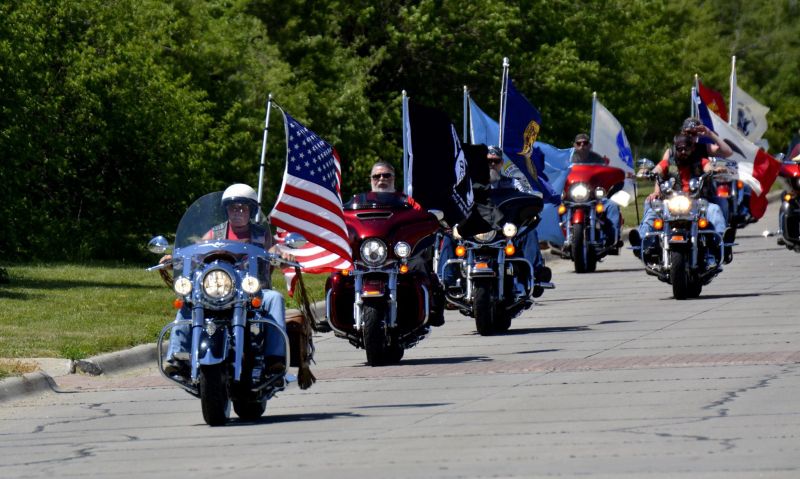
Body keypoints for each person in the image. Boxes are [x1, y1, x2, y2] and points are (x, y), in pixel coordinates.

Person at [162, 183, 288, 376]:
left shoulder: (261, 234)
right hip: (219, 289)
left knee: (275, 299)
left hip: (252, 290)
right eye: (233, 207)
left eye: (243, 207)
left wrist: (280, 255)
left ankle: (275, 359)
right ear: (226, 210)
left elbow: (272, 250)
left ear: (251, 210)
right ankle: (177, 355)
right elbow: (196, 253)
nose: (237, 211)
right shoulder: (215, 233)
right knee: (188, 301)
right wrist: (175, 259)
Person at [438, 146, 551, 296]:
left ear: (501, 163)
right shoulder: (468, 185)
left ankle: (535, 276)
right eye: (487, 161)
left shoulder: (513, 183)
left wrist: (532, 198)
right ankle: (444, 282)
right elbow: (455, 199)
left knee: (528, 232)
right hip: (475, 229)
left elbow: (527, 196)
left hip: (503, 230)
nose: (491, 165)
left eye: (495, 161)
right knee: (449, 236)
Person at [630, 134, 734, 263]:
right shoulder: (668, 162)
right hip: (671, 202)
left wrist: (716, 170)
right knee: (652, 210)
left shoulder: (700, 161)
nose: (683, 152)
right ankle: (642, 244)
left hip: (696, 202)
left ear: (692, 148)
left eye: (686, 148)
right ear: (675, 149)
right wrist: (648, 173)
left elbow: (709, 168)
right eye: (680, 149)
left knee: (715, 210)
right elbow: (658, 169)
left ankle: (721, 244)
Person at [662, 117, 734, 222]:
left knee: (720, 205)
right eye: (688, 133)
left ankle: (720, 236)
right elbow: (661, 172)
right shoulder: (671, 152)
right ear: (682, 132)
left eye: (694, 133)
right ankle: (643, 236)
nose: (691, 136)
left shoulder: (703, 148)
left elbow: (728, 152)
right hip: (674, 198)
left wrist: (709, 133)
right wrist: (655, 191)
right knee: (651, 206)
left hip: (700, 197)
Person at [568, 133, 622, 246]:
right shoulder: (567, 159)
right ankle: (557, 237)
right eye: (579, 143)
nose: (582, 145)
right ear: (575, 145)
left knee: (611, 205)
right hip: (572, 197)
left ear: (590, 145)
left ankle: (612, 238)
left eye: (585, 143)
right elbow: (561, 175)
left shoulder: (597, 159)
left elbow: (605, 177)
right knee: (556, 207)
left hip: (594, 197)